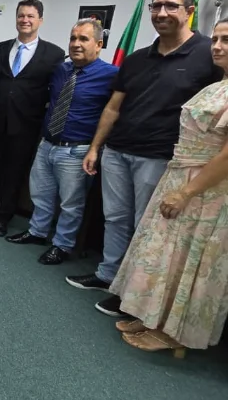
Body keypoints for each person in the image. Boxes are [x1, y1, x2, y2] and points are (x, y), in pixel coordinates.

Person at [67, 0, 224, 317]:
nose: (161, 12)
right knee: (116, 218)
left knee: (150, 228)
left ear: (190, 11)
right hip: (118, 151)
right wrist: (96, 147)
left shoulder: (207, 54)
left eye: (171, 6)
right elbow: (113, 107)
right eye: (156, 6)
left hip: (162, 159)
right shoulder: (137, 58)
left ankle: (133, 296)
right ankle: (107, 274)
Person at [108, 18, 228, 355]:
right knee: (164, 255)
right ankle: (152, 318)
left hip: (205, 191)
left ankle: (173, 333)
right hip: (181, 174)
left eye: (226, 40)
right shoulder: (218, 84)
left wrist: (186, 192)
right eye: (215, 39)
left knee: (189, 260)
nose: (217, 46)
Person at [5, 19, 118, 264]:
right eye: (73, 38)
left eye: (83, 39)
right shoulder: (60, 70)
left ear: (99, 44)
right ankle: (37, 231)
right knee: (41, 195)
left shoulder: (111, 75)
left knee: (70, 204)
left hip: (77, 150)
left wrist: (96, 149)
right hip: (47, 144)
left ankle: (62, 245)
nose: (76, 44)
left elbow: (115, 113)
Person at [0, 0, 66, 237]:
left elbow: (55, 91)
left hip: (26, 125)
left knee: (14, 173)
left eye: (31, 16)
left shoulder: (55, 54)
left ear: (40, 20)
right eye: (21, 15)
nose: (25, 20)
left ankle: (3, 217)